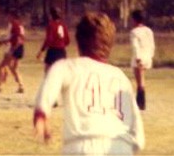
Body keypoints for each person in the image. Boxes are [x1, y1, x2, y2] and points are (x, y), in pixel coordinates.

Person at [33, 11, 145, 155]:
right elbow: (136, 124)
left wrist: (41, 113)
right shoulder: (121, 77)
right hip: (120, 146)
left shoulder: (69, 66)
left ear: (79, 42)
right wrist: (134, 145)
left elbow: (51, 82)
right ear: (110, 44)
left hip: (83, 144)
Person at [0, 10, 26, 94]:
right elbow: (18, 38)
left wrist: (12, 48)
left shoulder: (14, 25)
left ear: (13, 16)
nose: (8, 18)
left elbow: (16, 39)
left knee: (2, 65)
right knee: (13, 68)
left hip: (15, 47)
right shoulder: (20, 25)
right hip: (20, 47)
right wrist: (3, 41)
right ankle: (21, 86)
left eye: (9, 16)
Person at [129, 10, 155, 111]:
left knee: (140, 82)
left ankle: (140, 104)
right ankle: (139, 103)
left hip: (139, 58)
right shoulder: (149, 30)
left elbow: (135, 47)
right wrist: (150, 56)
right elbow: (152, 45)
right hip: (147, 57)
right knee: (141, 81)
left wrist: (138, 59)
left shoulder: (134, 32)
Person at [36, 6, 71, 74]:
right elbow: (67, 41)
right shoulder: (63, 25)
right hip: (62, 51)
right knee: (61, 72)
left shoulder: (51, 25)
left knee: (48, 71)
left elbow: (49, 40)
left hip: (53, 51)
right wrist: (61, 44)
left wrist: (41, 51)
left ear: (51, 15)